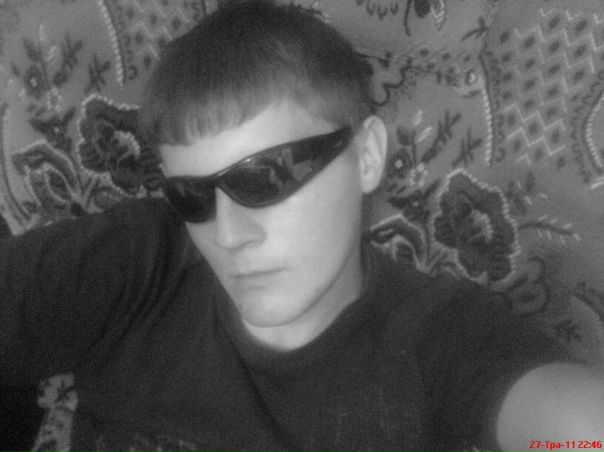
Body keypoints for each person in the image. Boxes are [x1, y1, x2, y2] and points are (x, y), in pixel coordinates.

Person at [1, 1, 603, 451]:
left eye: (266, 177)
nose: (228, 235)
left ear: (366, 156)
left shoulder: (441, 340)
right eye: (192, 196)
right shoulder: (138, 259)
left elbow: (573, 432)